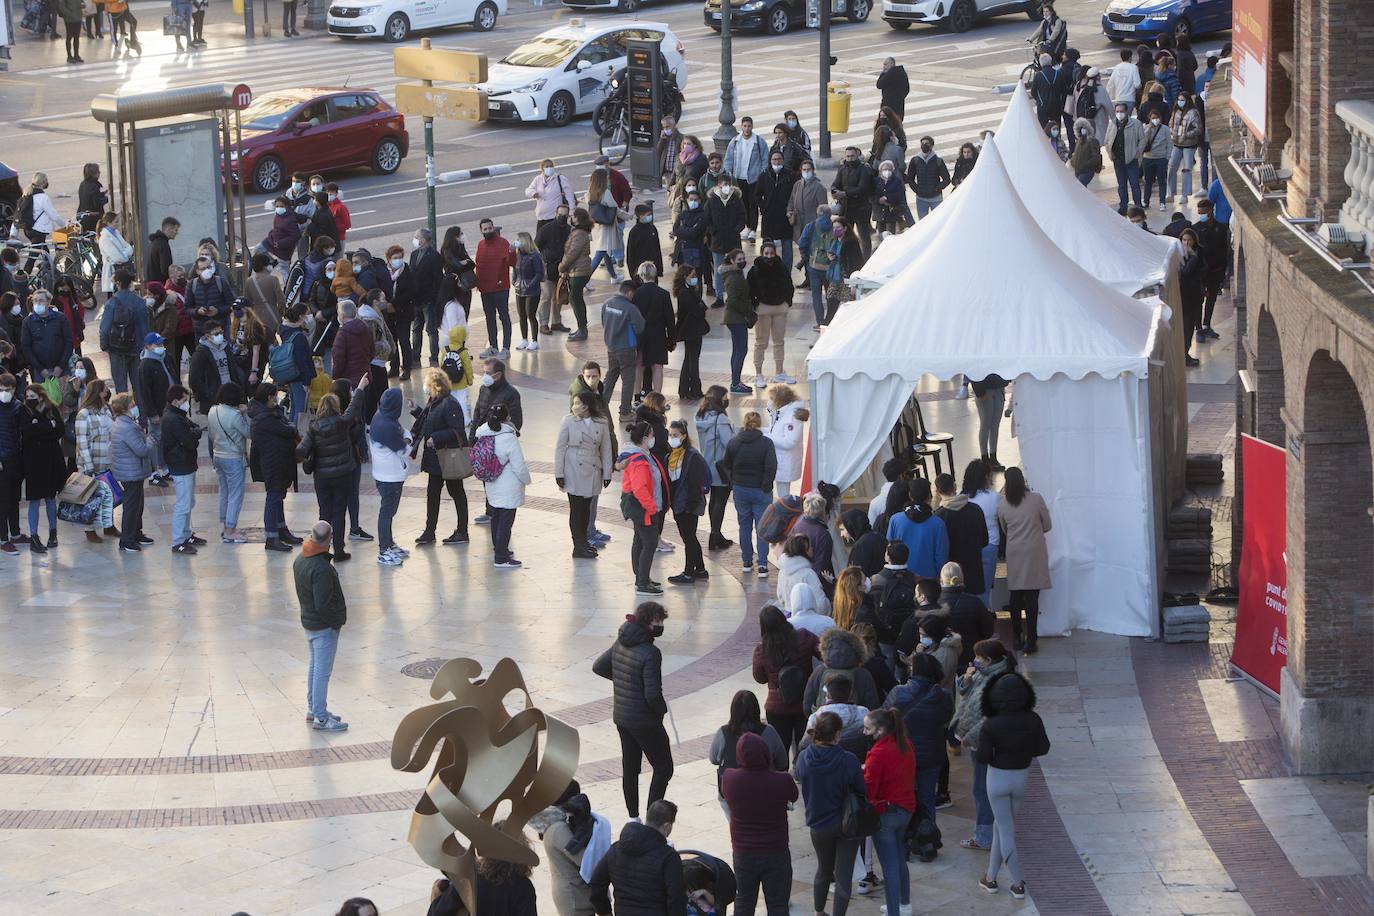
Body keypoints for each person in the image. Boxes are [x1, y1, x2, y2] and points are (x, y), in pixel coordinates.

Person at [593, 601, 673, 819]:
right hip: (645, 721)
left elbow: (598, 666)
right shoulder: (650, 652)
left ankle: (633, 817)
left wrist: (624, 681)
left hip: (622, 717)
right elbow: (652, 695)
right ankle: (652, 818)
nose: (661, 625)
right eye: (659, 621)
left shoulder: (622, 641)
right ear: (649, 622)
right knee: (664, 768)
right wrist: (661, 709)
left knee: (630, 768)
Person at [977, 670, 1050, 898]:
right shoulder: (1033, 719)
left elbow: (983, 757)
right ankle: (990, 877)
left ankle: (1017, 883)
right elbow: (1043, 748)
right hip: (1020, 777)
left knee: (1005, 830)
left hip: (997, 778)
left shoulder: (991, 724)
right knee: (1002, 827)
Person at [795, 710, 866, 916]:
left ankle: (818, 911)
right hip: (847, 823)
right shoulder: (849, 760)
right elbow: (862, 791)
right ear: (836, 735)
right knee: (843, 875)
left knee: (823, 869)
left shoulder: (804, 758)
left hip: (818, 824)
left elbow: (800, 777)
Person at [722, 729, 798, 916]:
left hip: (744, 853)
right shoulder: (782, 780)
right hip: (776, 851)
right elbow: (794, 796)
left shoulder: (730, 778)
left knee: (744, 903)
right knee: (778, 905)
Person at [955, 638, 1018, 851]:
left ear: (989, 660)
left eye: (978, 657)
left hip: (986, 744)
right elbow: (966, 696)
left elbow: (988, 720)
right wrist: (966, 679)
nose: (974, 661)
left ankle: (984, 837)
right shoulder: (984, 674)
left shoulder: (1000, 682)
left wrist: (968, 737)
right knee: (984, 788)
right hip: (979, 743)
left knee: (983, 790)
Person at [298, 384, 366, 561]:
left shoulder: (313, 428)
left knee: (324, 513)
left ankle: (321, 549)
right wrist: (359, 389)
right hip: (343, 475)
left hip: (321, 477)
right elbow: (353, 409)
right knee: (339, 513)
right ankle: (339, 550)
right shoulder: (342, 423)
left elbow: (300, 451)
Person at [588, 798, 684, 916]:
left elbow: (596, 882)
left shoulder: (616, 849)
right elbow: (676, 899)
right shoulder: (669, 857)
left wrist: (605, 912)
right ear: (667, 827)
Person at [294, 520, 348, 731]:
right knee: (322, 672)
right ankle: (321, 717)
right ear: (329, 539)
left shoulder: (300, 559)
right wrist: (337, 622)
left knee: (315, 667)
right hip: (323, 627)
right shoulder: (321, 568)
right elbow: (323, 604)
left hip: (309, 623)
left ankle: (314, 709)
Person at [862, 707, 915, 916]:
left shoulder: (878, 753)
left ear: (881, 729)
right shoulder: (906, 744)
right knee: (899, 858)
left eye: (868, 728)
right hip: (906, 810)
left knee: (889, 865)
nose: (865, 732)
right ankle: (904, 904)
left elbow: (869, 789)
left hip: (886, 814)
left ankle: (894, 911)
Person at [751, 603, 822, 757]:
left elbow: (759, 678)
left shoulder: (761, 650)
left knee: (780, 750)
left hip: (776, 707)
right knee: (805, 748)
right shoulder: (804, 636)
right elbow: (824, 654)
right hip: (805, 702)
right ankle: (800, 774)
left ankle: (782, 777)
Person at [411, 367, 470, 547]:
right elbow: (430, 420)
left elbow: (457, 430)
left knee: (456, 492)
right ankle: (430, 531)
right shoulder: (435, 402)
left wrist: (435, 438)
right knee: (432, 493)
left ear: (436, 386)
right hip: (435, 458)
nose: (426, 388)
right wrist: (416, 411)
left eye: (428, 385)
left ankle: (462, 531)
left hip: (447, 457)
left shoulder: (449, 403)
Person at [998, 466, 1053, 654]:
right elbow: (1047, 525)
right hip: (1034, 551)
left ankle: (1016, 636)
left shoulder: (1003, 504)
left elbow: (1004, 530)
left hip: (1015, 552)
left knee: (1015, 595)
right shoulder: (1036, 499)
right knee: (1032, 597)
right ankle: (1032, 639)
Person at [710, 689, 789, 815]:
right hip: (763, 792)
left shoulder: (723, 732)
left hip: (731, 793)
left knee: (737, 823)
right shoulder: (769, 732)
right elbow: (783, 763)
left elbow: (714, 759)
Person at [555, 391, 613, 559]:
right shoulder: (568, 421)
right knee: (576, 508)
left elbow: (606, 450)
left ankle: (584, 541)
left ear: (586, 406)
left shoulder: (601, 423)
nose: (574, 406)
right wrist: (559, 473)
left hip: (593, 467)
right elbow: (560, 447)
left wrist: (607, 473)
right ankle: (578, 544)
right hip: (573, 467)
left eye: (577, 403)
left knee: (586, 508)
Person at [720, 411, 777, 576]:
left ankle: (746, 562)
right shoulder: (766, 443)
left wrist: (734, 481)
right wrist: (766, 486)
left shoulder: (734, 442)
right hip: (760, 490)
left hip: (741, 489)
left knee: (744, 526)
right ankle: (763, 565)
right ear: (759, 424)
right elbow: (771, 467)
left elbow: (726, 464)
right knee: (762, 528)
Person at [250, 383, 302, 553]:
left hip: (279, 461)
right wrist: (292, 427)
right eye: (275, 396)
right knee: (273, 498)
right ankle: (271, 537)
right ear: (268, 397)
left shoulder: (271, 413)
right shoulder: (263, 418)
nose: (277, 399)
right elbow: (288, 430)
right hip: (272, 463)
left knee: (278, 496)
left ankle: (281, 530)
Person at [619, 418, 669, 595]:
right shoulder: (639, 459)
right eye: (652, 435)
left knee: (639, 540)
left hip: (641, 506)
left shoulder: (640, 453)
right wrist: (652, 508)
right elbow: (640, 488)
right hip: (644, 507)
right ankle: (642, 583)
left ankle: (642, 578)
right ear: (647, 437)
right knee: (649, 543)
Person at [541, 785, 607, 916]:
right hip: (573, 898)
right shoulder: (559, 829)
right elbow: (584, 860)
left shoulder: (559, 822)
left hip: (574, 894)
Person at [16, 384, 64, 553]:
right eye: (27, 397)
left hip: (51, 460)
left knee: (51, 498)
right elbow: (27, 431)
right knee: (34, 500)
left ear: (41, 396)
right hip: (33, 462)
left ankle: (53, 533)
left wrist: (39, 426)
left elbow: (59, 430)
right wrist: (47, 426)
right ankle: (34, 536)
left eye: (33, 396)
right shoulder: (23, 411)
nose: (30, 400)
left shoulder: (51, 409)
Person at [365, 387, 410, 567]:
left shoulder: (381, 417)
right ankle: (384, 550)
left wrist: (404, 435)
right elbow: (405, 449)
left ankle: (389, 544)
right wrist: (408, 438)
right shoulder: (388, 426)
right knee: (387, 513)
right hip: (389, 478)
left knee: (389, 512)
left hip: (387, 476)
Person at [72, 380, 117, 543]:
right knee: (91, 497)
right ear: (98, 393)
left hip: (107, 461)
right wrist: (89, 466)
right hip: (91, 464)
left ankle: (109, 525)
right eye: (105, 391)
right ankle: (89, 529)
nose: (107, 393)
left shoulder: (106, 410)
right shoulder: (84, 414)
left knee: (108, 494)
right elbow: (82, 442)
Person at [205, 381, 250, 543]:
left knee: (224, 491)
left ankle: (225, 526)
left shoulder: (212, 411)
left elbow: (210, 435)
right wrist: (246, 414)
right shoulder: (235, 415)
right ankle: (230, 530)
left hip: (218, 455)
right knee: (235, 494)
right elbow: (249, 432)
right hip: (234, 457)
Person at [109, 392, 154, 552]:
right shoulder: (126, 427)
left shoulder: (123, 423)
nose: (135, 406)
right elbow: (141, 450)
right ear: (127, 407)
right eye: (132, 404)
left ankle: (136, 533)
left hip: (132, 470)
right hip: (130, 472)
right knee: (132, 506)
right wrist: (150, 439)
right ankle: (127, 539)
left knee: (137, 504)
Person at [934, 472, 989, 599]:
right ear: (955, 486)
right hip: (973, 570)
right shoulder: (975, 510)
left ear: (937, 491)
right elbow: (984, 541)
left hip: (950, 574)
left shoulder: (938, 517)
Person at [886, 476, 949, 588]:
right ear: (929, 497)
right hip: (929, 580)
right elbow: (941, 557)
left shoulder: (895, 520)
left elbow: (889, 550)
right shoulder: (938, 524)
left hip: (901, 579)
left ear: (910, 495)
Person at [693, 386, 734, 551]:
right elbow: (729, 443)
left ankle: (715, 533)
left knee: (714, 500)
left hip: (708, 464)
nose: (727, 400)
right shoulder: (721, 420)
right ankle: (715, 535)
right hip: (722, 467)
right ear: (719, 399)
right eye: (725, 397)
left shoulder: (701, 416)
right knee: (721, 501)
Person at [747, 246, 794, 389]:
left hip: (780, 308)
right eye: (766, 253)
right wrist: (755, 304)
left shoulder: (782, 267)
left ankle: (779, 371)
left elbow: (789, 285)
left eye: (771, 253)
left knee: (779, 341)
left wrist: (788, 301)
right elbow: (749, 289)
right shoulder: (754, 270)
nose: (769, 256)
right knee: (761, 343)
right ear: (762, 254)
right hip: (763, 309)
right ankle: (759, 374)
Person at [600, 279, 646, 421]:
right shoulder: (630, 308)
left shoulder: (607, 304)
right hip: (626, 348)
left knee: (611, 376)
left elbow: (603, 322)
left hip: (611, 347)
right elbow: (640, 327)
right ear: (629, 292)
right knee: (628, 379)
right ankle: (625, 412)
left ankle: (601, 407)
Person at [100, 269, 150, 396]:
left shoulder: (111, 303)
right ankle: (142, 414)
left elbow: (104, 329)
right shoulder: (140, 301)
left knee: (121, 388)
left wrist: (105, 346)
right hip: (137, 349)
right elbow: (145, 328)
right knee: (139, 387)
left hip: (117, 350)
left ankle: (124, 413)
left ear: (118, 283)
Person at [475, 218, 517, 359]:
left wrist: (512, 252)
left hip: (500, 288)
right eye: (485, 229)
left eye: (490, 228)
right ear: (481, 231)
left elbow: (512, 263)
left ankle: (505, 348)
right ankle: (493, 346)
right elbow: (479, 266)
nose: (488, 231)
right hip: (485, 289)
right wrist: (478, 284)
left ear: (494, 228)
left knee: (504, 317)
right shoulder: (481, 245)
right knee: (490, 318)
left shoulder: (503, 243)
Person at [724, 116, 771, 241]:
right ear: (741, 126)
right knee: (742, 203)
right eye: (745, 126)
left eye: (749, 126)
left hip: (754, 179)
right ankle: (745, 227)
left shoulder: (758, 141)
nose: (747, 128)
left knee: (753, 203)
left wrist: (761, 174)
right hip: (739, 177)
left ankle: (753, 229)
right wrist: (729, 174)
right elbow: (729, 159)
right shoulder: (735, 141)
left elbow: (765, 159)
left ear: (752, 126)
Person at [632, 264, 675, 398]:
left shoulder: (636, 294)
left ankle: (637, 397)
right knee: (657, 367)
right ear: (655, 274)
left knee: (639, 367)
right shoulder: (663, 294)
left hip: (640, 336)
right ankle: (657, 398)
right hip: (658, 335)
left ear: (641, 275)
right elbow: (670, 319)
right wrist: (672, 339)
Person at [1193, 197, 1229, 342]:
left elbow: (1225, 250)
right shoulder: (1195, 228)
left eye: (1203, 212)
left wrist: (1224, 270)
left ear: (1210, 211)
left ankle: (1207, 325)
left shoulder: (1221, 228)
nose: (1201, 214)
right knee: (1198, 300)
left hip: (1216, 271)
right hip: (1200, 272)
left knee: (1211, 299)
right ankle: (1198, 329)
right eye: (1199, 212)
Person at [720, 250, 754, 395]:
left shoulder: (735, 275)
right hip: (736, 318)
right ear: (732, 261)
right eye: (739, 259)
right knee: (741, 350)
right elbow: (733, 300)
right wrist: (748, 313)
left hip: (734, 318)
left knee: (737, 350)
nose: (742, 261)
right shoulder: (734, 278)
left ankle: (736, 381)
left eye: (743, 258)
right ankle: (735, 383)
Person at [831, 147, 875, 259]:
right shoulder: (842, 168)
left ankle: (866, 260)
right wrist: (834, 191)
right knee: (844, 235)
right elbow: (836, 183)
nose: (850, 159)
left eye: (852, 156)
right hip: (846, 208)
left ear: (857, 156)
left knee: (864, 235)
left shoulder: (864, 168)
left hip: (861, 207)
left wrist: (845, 193)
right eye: (848, 156)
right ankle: (844, 257)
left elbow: (862, 188)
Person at [21, 289, 73, 383]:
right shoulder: (28, 322)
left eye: (41, 300)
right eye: (35, 300)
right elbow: (26, 347)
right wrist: (40, 369)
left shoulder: (60, 318)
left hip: (62, 368)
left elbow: (69, 341)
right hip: (41, 372)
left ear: (48, 302)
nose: (38, 303)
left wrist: (61, 365)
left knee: (66, 395)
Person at [672, 266, 708, 402]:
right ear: (684, 277)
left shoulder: (688, 291)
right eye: (692, 276)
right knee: (692, 360)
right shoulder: (685, 293)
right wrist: (699, 305)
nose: (695, 279)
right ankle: (693, 389)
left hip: (692, 329)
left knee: (690, 359)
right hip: (691, 330)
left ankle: (686, 389)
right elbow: (698, 309)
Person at [536, 206, 573, 335]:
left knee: (558, 296)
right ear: (555, 213)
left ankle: (556, 322)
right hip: (547, 267)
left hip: (562, 268)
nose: (562, 217)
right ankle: (544, 323)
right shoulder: (546, 229)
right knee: (546, 296)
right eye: (560, 215)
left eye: (565, 215)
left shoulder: (569, 230)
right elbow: (536, 247)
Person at [559, 209, 594, 342]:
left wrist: (562, 266)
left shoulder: (579, 233)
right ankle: (582, 328)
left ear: (578, 218)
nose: (570, 217)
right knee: (576, 298)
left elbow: (572, 253)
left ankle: (582, 328)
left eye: (573, 216)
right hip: (578, 269)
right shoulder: (579, 232)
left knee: (574, 298)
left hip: (579, 270)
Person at [1105, 102, 1145, 215]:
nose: (1119, 114)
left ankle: (1138, 206)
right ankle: (1123, 206)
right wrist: (1110, 153)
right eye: (1117, 111)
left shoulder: (1136, 124)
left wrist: (1137, 153)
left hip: (1131, 159)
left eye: (1121, 111)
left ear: (1127, 112)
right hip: (1118, 160)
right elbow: (1107, 140)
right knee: (1121, 185)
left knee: (1134, 184)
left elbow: (1142, 140)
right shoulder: (1113, 124)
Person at [1167, 92, 1203, 209]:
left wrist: (1186, 134)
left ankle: (1185, 194)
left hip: (1189, 144)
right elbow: (1170, 124)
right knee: (1172, 166)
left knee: (1187, 169)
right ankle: (1171, 192)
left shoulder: (1193, 113)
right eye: (1178, 99)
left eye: (1182, 100)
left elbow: (1198, 129)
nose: (1180, 102)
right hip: (1176, 143)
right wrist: (1173, 132)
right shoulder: (1175, 111)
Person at [775, 534, 828, 614]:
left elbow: (780, 597)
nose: (812, 549)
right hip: (807, 618)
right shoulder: (808, 574)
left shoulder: (782, 571)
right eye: (809, 547)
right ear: (804, 551)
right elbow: (820, 603)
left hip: (789, 615)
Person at [905, 136, 951, 221]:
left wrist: (937, 188)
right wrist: (917, 189)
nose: (924, 145)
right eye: (922, 143)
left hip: (936, 198)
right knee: (922, 222)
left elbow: (947, 179)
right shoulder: (915, 160)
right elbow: (910, 178)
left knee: (938, 221)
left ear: (932, 146)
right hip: (921, 199)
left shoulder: (938, 161)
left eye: (926, 144)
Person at [1140, 94, 1172, 211]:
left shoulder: (1165, 129)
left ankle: (1162, 202)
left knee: (1162, 182)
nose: (1155, 120)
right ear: (1149, 118)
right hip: (1148, 158)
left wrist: (1167, 157)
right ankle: (1146, 201)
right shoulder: (1146, 129)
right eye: (1153, 118)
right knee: (1148, 181)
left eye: (1157, 117)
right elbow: (1143, 142)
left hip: (1161, 159)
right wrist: (1148, 128)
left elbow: (1169, 144)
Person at [527, 158, 578, 230]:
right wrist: (533, 193)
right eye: (547, 166)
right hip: (542, 216)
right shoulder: (538, 179)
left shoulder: (560, 178)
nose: (549, 168)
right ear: (542, 168)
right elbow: (528, 190)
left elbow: (569, 195)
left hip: (555, 216)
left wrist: (572, 210)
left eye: (551, 166)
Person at [145, 216, 179, 285]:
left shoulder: (154, 242)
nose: (177, 233)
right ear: (169, 229)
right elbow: (166, 269)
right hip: (161, 286)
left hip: (153, 285)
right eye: (176, 230)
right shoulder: (163, 244)